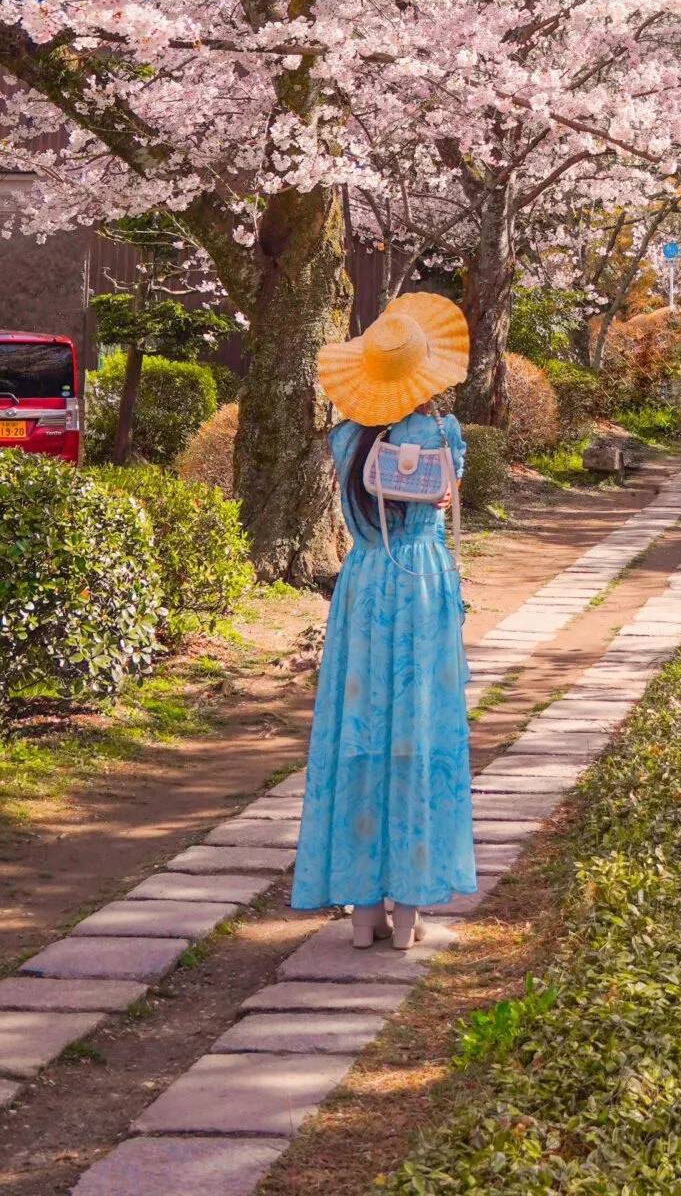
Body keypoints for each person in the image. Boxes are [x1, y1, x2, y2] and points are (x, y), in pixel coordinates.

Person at [291, 292, 477, 950]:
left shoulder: (346, 440)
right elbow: (448, 500)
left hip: (365, 583)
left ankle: (362, 911)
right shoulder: (442, 435)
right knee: (417, 731)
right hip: (421, 580)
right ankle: (409, 917)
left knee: (361, 731)